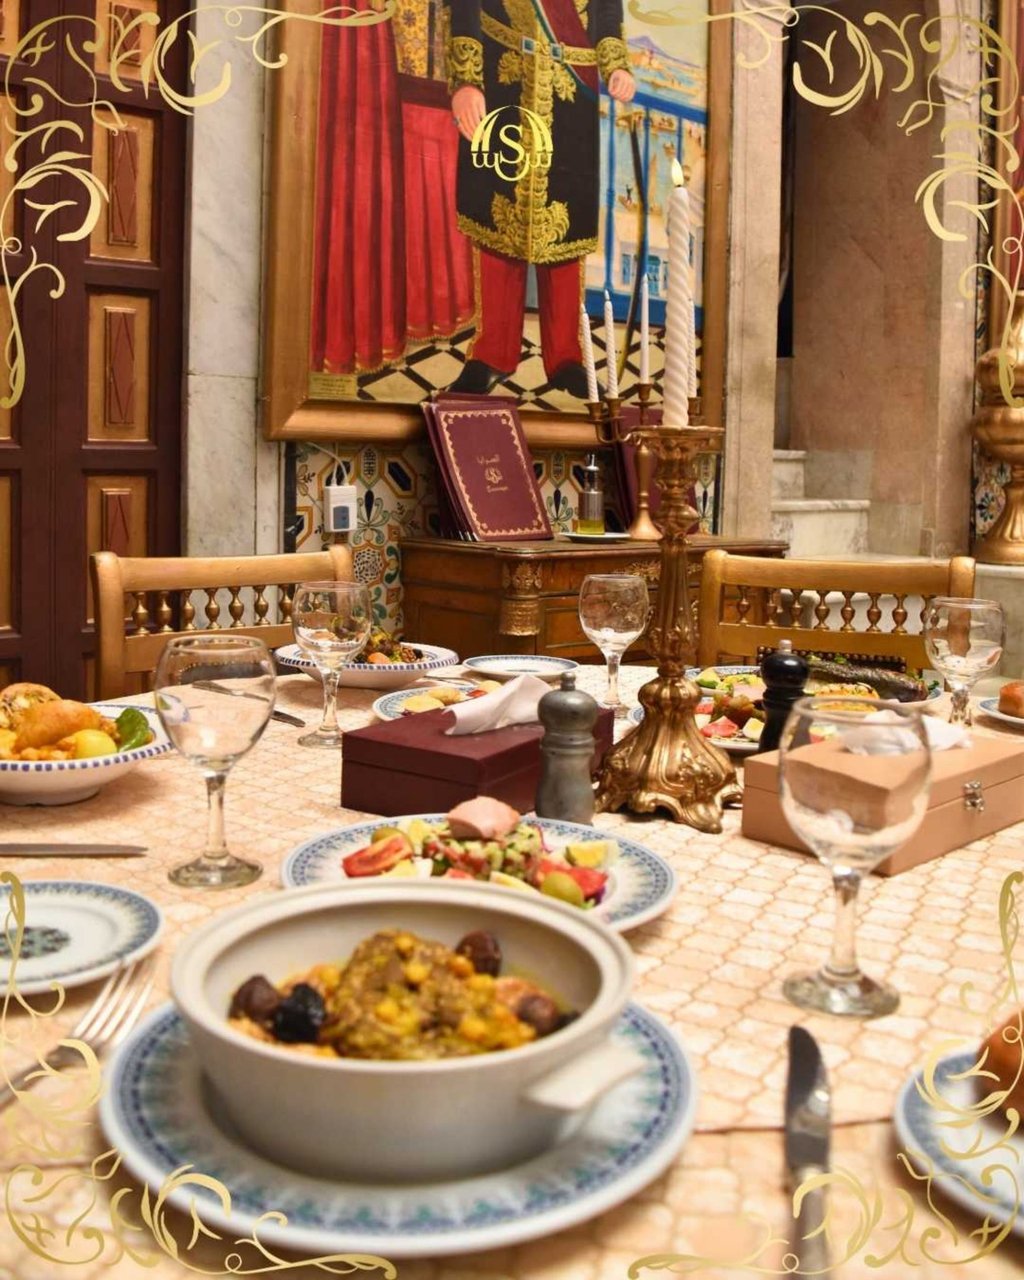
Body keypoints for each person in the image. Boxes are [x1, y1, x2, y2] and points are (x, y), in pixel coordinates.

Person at [446, 0, 635, 397]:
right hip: (504, 77)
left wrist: (615, 63)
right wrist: (466, 81)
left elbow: (605, 10)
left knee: (565, 225)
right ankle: (492, 353)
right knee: (498, 216)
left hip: (572, 88)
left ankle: (566, 358)